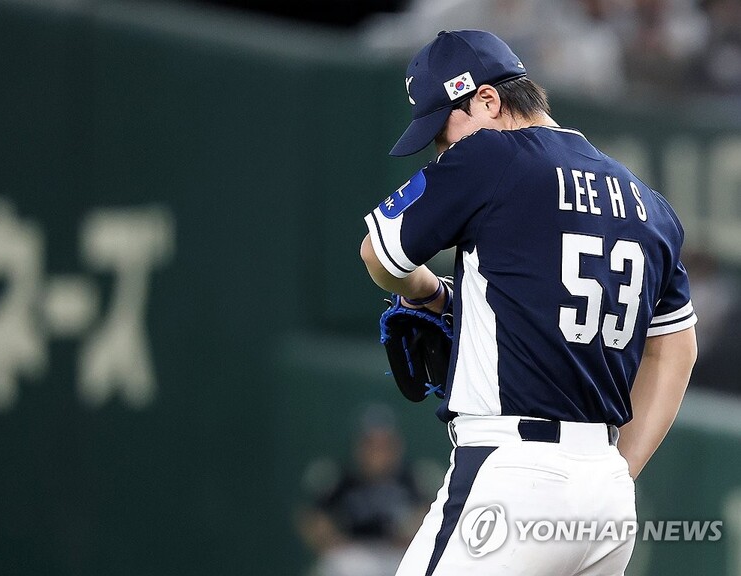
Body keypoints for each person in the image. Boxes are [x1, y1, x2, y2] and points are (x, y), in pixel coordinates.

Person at [359, 30, 698, 575]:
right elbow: (676, 348)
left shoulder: (491, 155)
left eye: (443, 131)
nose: (444, 151)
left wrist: (429, 293)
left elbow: (379, 254)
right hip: (607, 498)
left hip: (511, 472)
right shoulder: (647, 200)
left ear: (487, 100)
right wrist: (619, 469)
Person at [297, 405, 427, 576]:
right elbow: (311, 517)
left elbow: (430, 513)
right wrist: (330, 540)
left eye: (384, 445)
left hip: (396, 554)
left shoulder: (412, 478)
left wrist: (412, 533)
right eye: (371, 444)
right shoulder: (341, 478)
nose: (377, 453)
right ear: (359, 446)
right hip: (354, 554)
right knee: (336, 563)